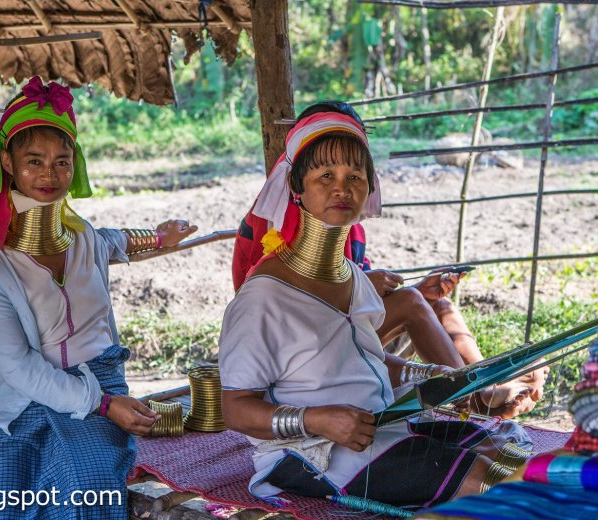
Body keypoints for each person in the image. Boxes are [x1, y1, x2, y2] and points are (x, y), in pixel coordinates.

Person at [219, 105, 534, 507]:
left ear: (369, 188)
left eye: (355, 177)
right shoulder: (264, 296)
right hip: (312, 451)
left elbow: (365, 357)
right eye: (325, 177)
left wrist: (429, 373)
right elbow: (236, 408)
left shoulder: (352, 276)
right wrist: (316, 419)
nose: (342, 188)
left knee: (510, 451)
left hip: (377, 425)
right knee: (496, 487)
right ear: (296, 189)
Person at [0, 76, 197, 519]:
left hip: (100, 382)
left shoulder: (83, 238)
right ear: (8, 164)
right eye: (34, 161)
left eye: (61, 161)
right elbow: (17, 367)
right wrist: (103, 406)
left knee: (89, 480)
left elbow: (113, 240)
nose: (49, 175)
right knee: (4, 487)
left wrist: (160, 236)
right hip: (21, 401)